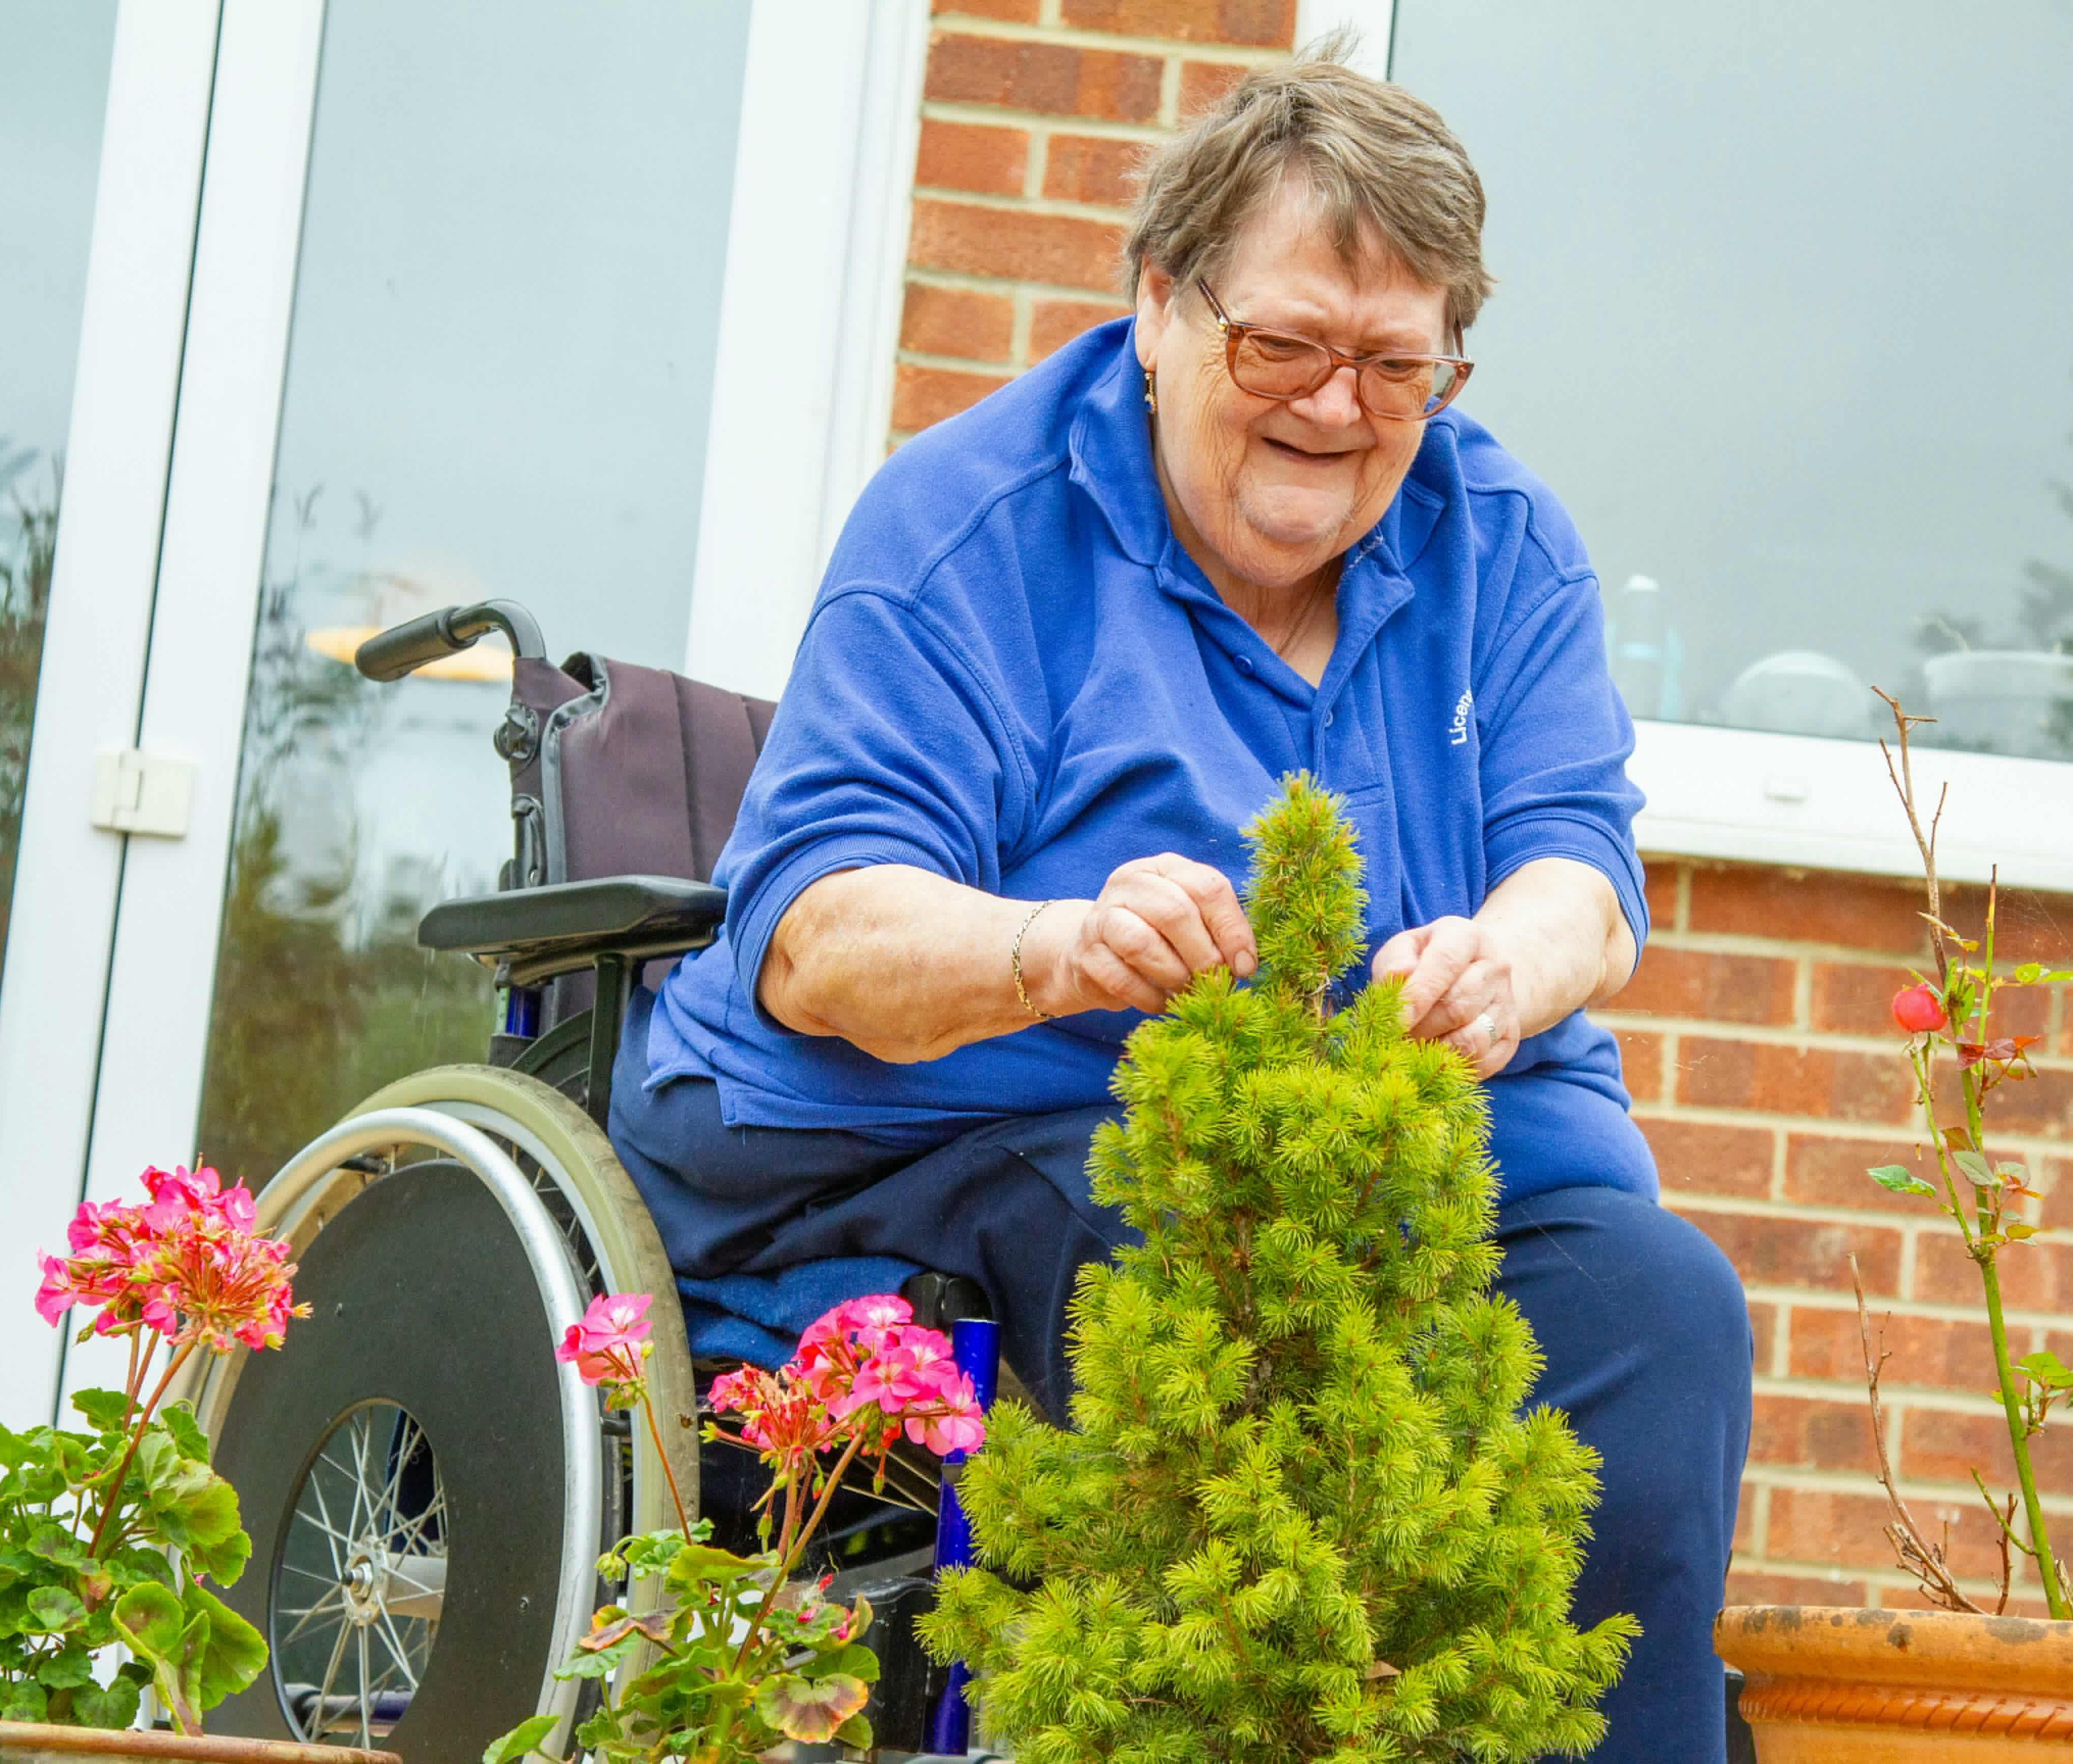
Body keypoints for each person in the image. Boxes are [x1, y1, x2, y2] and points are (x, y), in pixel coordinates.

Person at [609, 47, 1751, 1755]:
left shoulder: (1503, 544)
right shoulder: (970, 527)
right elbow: (818, 936)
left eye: (1397, 362)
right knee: (1218, 1293)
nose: (1339, 404)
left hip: (1415, 1167)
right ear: (1159, 302)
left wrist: (1508, 968)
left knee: (1665, 1319)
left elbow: (1583, 867)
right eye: (1284, 343)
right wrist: (1055, 949)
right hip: (967, 1142)